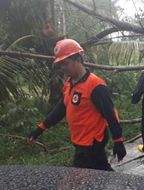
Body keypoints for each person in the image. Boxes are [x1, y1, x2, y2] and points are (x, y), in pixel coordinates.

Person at [27, 39, 126, 171]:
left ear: (78, 60)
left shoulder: (95, 85)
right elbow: (61, 108)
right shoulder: (69, 83)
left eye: (65, 64)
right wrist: (40, 128)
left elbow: (110, 113)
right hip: (80, 142)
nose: (63, 68)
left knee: (81, 178)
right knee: (99, 174)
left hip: (92, 143)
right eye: (60, 64)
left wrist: (118, 140)